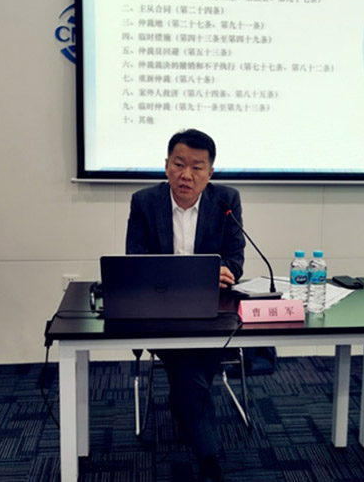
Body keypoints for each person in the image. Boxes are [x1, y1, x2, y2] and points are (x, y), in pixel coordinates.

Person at [126, 129, 245, 482]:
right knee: (187, 360)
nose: (186, 175)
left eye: (197, 167)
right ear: (166, 166)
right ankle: (209, 456)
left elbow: (235, 260)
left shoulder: (226, 200)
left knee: (191, 365)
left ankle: (183, 406)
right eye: (179, 164)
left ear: (210, 172)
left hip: (211, 311)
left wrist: (224, 272)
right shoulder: (145, 202)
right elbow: (136, 260)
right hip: (159, 312)